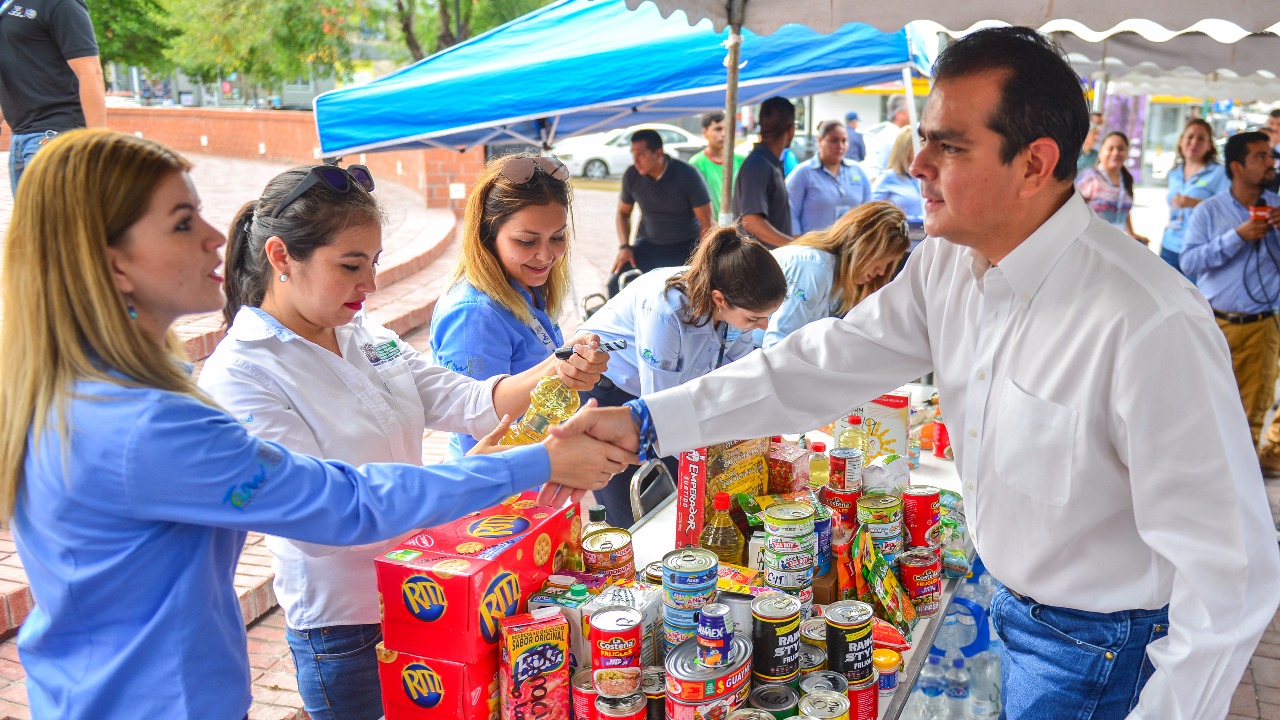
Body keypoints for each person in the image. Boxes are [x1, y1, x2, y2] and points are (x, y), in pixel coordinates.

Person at [560, 27, 1279, 720]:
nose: (918, 163)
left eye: (950, 145)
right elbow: (816, 366)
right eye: (925, 135)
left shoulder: (1147, 320)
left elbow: (1235, 574)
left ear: (1034, 164)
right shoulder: (947, 265)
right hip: (1018, 612)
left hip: (1102, 651)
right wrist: (648, 421)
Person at [0, 130, 628, 720]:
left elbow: (464, 400)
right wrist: (532, 462)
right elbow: (338, 512)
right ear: (112, 263)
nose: (218, 237)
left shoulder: (351, 337)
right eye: (184, 222)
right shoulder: (170, 410)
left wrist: (552, 383)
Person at [197, 163, 608, 720]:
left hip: (428, 593)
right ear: (279, 256)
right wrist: (524, 465)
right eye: (350, 266)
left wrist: (561, 369)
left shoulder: (366, 335)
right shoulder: (241, 374)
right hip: (351, 626)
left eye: (374, 263)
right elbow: (328, 520)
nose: (370, 285)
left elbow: (469, 403)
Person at [577, 227, 785, 526]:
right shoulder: (666, 310)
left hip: (668, 395)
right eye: (754, 318)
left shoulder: (735, 307)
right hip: (613, 394)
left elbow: (735, 381)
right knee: (634, 518)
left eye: (768, 317)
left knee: (690, 499)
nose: (764, 327)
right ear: (719, 299)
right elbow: (659, 409)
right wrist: (713, 458)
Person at [431, 154, 611, 458]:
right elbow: (480, 445)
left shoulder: (527, 289)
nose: (546, 255)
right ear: (487, 235)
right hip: (503, 499)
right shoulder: (474, 315)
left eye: (558, 237)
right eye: (527, 242)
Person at [1181, 131, 1280, 474]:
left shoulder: (1278, 208)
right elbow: (1189, 263)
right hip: (1212, 324)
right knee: (1202, 410)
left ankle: (1240, 497)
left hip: (1262, 326)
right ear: (1237, 167)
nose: (1271, 163)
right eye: (1261, 157)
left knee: (1251, 418)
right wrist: (1236, 237)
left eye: (1270, 155)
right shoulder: (1210, 211)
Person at [761, 201, 909, 348]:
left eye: (888, 264)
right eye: (881, 260)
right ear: (863, 245)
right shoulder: (814, 268)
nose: (882, 271)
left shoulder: (834, 275)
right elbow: (776, 344)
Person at [0, 0, 106, 193]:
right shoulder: (7, 8)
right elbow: (15, 73)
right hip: (20, 138)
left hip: (56, 136)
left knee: (55, 222)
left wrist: (98, 145)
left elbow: (91, 73)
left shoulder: (60, 3)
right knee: (31, 223)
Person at [611, 129, 713, 296]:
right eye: (633, 154)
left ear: (658, 153)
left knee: (682, 294)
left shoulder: (687, 175)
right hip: (648, 245)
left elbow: (707, 222)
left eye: (641, 155)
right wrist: (624, 246)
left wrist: (701, 260)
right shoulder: (631, 175)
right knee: (615, 284)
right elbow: (623, 213)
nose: (636, 161)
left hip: (686, 247)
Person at [1159, 119, 1228, 275]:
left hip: (1198, 250)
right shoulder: (1174, 172)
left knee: (1193, 299)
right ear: (1181, 141)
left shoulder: (1219, 173)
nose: (1194, 142)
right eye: (1190, 137)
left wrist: (1194, 203)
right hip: (1169, 246)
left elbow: (1227, 210)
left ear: (1209, 144)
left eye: (1201, 138)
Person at [785, 120, 872, 234]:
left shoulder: (857, 171)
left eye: (844, 141)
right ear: (820, 140)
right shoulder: (803, 173)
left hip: (851, 246)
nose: (840, 146)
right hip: (813, 248)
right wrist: (798, 243)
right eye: (834, 141)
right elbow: (791, 214)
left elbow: (868, 210)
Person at [733, 96, 796, 247]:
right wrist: (793, 246)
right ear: (791, 129)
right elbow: (751, 221)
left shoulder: (770, 162)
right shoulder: (757, 165)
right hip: (758, 264)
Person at [1076, 131, 1148, 244]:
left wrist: (1131, 233)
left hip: (1116, 245)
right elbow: (1073, 210)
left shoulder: (1126, 179)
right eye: (1110, 148)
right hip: (1090, 244)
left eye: (1121, 149)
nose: (1115, 153)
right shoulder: (1089, 177)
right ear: (1101, 152)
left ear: (1127, 153)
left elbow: (1122, 209)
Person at [870, 127, 925, 248]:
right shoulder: (888, 177)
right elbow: (871, 212)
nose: (922, 151)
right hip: (898, 247)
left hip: (922, 245)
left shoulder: (922, 178)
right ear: (905, 150)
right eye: (918, 147)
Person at [688, 111, 745, 221]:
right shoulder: (697, 163)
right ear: (705, 132)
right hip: (710, 227)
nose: (723, 134)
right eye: (718, 129)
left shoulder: (741, 160)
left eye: (727, 129)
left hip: (739, 226)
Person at [861, 95, 911, 180]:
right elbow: (873, 171)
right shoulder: (890, 136)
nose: (914, 115)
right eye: (910, 111)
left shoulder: (893, 133)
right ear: (899, 114)